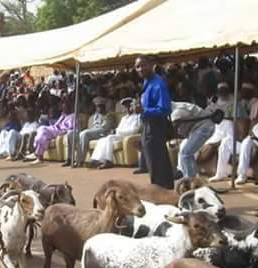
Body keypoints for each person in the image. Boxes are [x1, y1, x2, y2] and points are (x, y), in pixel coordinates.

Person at [135, 55, 174, 189]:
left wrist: (144, 110)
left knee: (157, 163)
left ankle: (160, 192)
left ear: (151, 65)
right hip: (148, 125)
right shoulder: (147, 82)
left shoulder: (157, 83)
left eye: (143, 65)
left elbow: (165, 109)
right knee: (156, 163)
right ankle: (164, 190)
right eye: (137, 66)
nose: (140, 69)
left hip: (156, 126)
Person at [89, 98, 143, 169]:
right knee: (102, 140)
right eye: (125, 107)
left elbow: (134, 130)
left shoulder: (138, 117)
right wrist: (114, 130)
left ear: (133, 106)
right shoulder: (124, 118)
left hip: (128, 136)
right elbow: (119, 128)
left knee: (109, 138)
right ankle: (96, 160)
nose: (127, 108)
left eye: (129, 106)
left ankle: (108, 161)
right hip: (119, 135)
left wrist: (117, 132)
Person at [173, 103, 224, 178]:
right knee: (185, 151)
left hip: (205, 128)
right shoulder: (176, 106)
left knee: (186, 154)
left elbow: (176, 127)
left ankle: (191, 179)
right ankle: (190, 176)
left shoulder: (177, 112)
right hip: (198, 129)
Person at [64, 97, 116, 167]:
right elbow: (92, 127)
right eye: (97, 107)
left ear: (104, 107)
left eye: (100, 106)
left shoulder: (109, 116)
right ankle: (70, 158)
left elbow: (104, 129)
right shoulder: (95, 116)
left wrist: (88, 131)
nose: (99, 108)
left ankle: (80, 160)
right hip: (92, 133)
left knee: (85, 134)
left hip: (102, 133)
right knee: (71, 134)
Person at [25, 99, 75, 165]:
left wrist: (64, 132)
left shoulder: (72, 116)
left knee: (43, 130)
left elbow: (72, 128)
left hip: (60, 131)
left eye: (64, 107)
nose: (63, 109)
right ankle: (38, 155)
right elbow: (56, 124)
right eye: (62, 107)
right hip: (54, 129)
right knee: (42, 131)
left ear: (69, 107)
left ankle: (38, 155)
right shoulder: (63, 115)